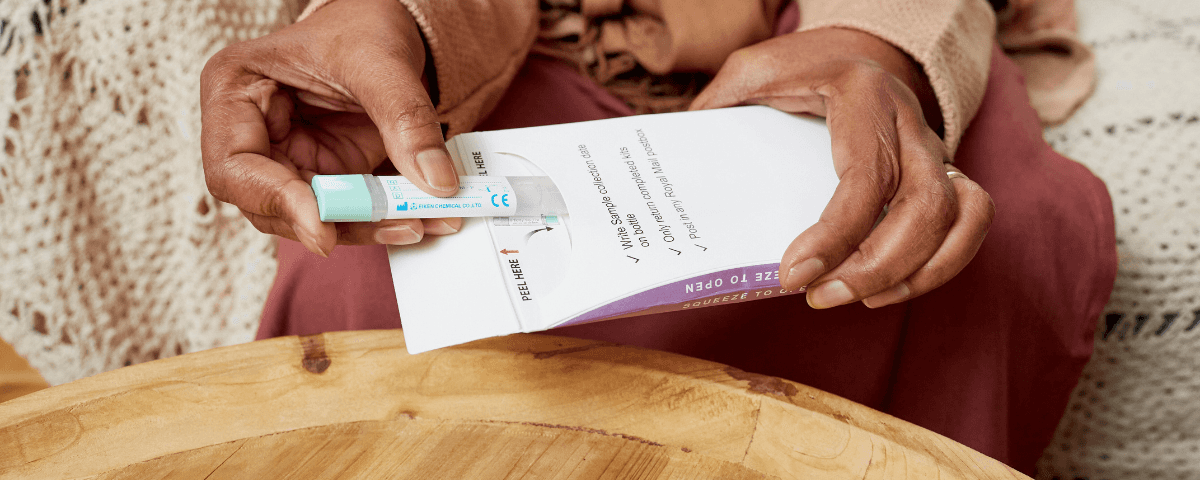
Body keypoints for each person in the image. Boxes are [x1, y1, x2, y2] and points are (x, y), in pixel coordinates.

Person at [199, 0, 1116, 474]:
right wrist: (392, 20)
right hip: (510, 41)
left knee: (981, 238)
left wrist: (876, 47)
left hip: (852, 23)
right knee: (394, 271)